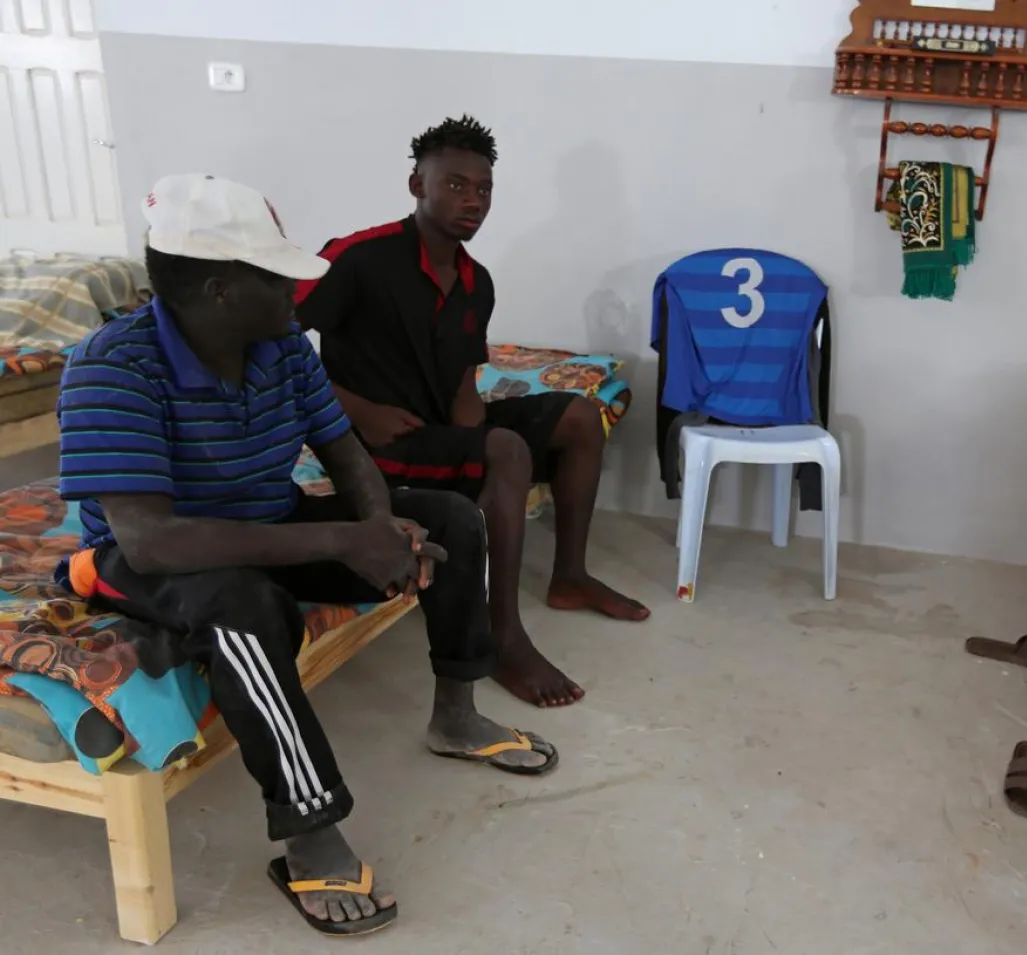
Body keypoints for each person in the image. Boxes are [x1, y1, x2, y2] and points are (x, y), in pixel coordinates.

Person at [56, 174, 559, 936]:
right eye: (278, 275)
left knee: (452, 520)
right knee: (244, 605)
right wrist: (339, 539)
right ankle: (309, 826)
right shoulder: (111, 367)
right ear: (221, 290)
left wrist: (383, 528)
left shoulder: (281, 343)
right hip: (158, 558)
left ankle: (456, 715)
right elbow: (152, 539)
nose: (299, 287)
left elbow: (345, 450)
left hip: (269, 519)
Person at [295, 115, 647, 710]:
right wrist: (356, 408)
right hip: (372, 443)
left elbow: (464, 380)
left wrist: (476, 439)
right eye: (455, 185)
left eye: (483, 189)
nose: (473, 201)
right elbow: (275, 341)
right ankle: (502, 635)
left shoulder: (474, 280)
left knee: (580, 417)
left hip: (435, 429)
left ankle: (568, 578)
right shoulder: (356, 257)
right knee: (505, 451)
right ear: (417, 185)